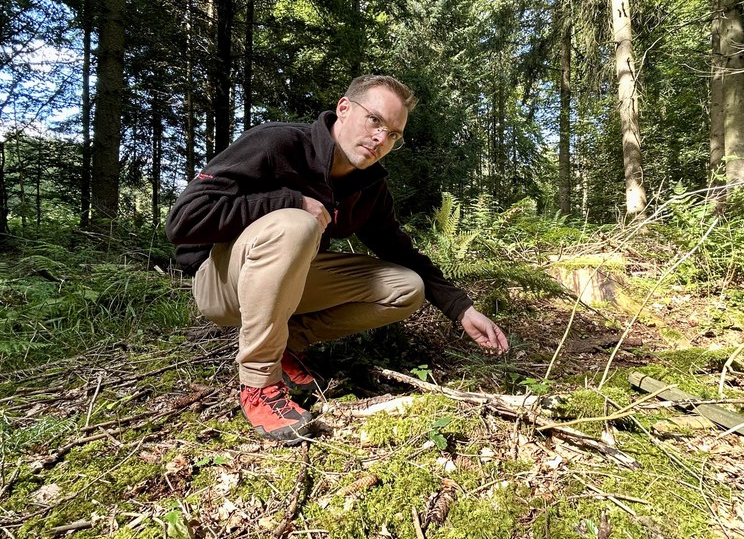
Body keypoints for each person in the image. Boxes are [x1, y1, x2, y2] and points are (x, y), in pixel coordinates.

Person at [165, 74, 509, 443]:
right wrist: (290, 201)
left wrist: (462, 309)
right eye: (375, 120)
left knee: (407, 287)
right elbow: (184, 221)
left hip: (285, 284)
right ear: (344, 109)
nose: (381, 139)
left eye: (393, 134)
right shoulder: (278, 143)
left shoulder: (368, 185)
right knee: (295, 225)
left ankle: (284, 343)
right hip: (220, 284)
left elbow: (398, 248)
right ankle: (258, 383)